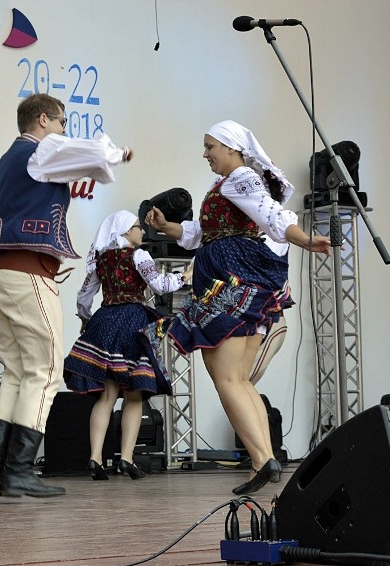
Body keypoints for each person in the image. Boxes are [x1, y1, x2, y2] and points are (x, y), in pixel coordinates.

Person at [145, 119, 331, 495]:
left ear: (231, 147)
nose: (205, 153)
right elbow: (200, 234)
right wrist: (168, 227)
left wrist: (306, 240)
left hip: (230, 276)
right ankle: (264, 458)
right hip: (232, 272)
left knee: (226, 378)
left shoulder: (241, 177)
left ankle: (262, 459)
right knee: (238, 379)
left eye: (210, 146)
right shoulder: (228, 184)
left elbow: (274, 218)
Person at [0, 93, 134, 498]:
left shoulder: (11, 157)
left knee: (17, 372)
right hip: (28, 274)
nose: (65, 130)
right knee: (46, 372)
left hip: (1, 273)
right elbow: (92, 152)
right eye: (62, 122)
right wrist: (116, 153)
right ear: (43, 120)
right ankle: (18, 471)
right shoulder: (39, 148)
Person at [64, 210, 190, 481]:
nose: (142, 232)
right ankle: (126, 459)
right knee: (134, 394)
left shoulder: (101, 260)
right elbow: (160, 285)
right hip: (132, 321)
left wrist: (86, 321)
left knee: (107, 396)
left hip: (105, 322)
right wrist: (184, 277)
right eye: (137, 227)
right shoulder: (138, 256)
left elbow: (84, 297)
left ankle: (95, 459)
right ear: (124, 231)